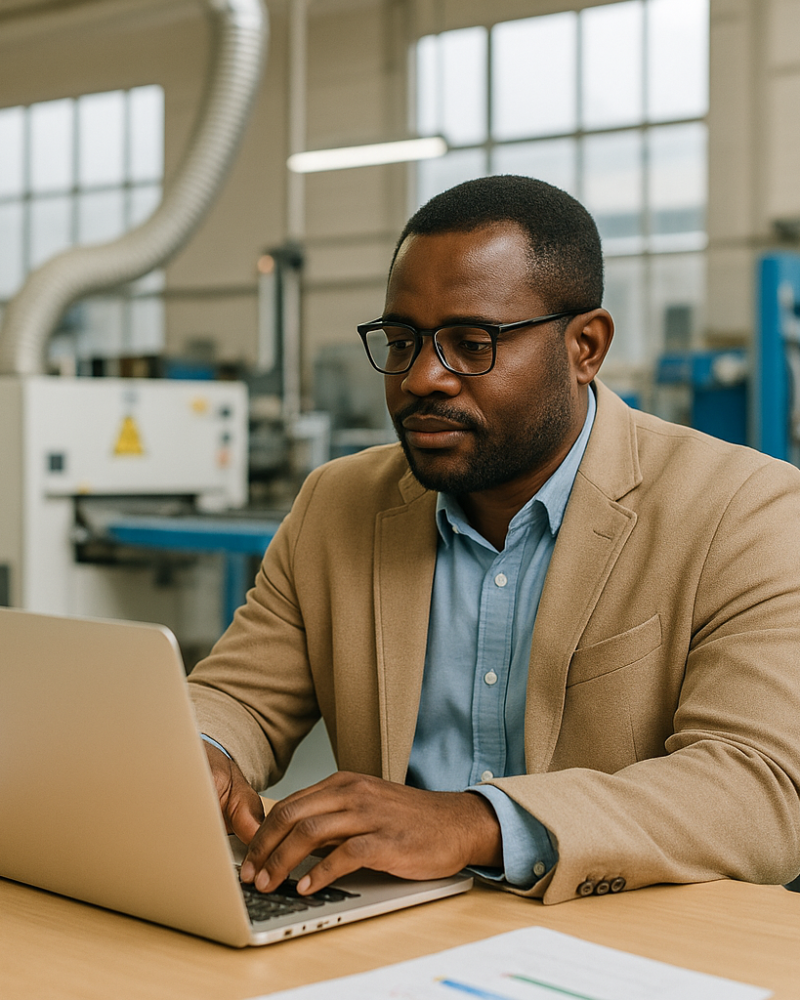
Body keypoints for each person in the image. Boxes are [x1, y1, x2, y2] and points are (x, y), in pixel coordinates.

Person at [188, 175, 800, 905]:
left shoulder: (746, 511)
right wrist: (202, 752)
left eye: (470, 344)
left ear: (585, 346)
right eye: (403, 341)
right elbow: (240, 697)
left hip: (618, 945)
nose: (422, 378)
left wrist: (479, 822)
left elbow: (759, 784)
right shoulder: (338, 504)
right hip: (388, 930)